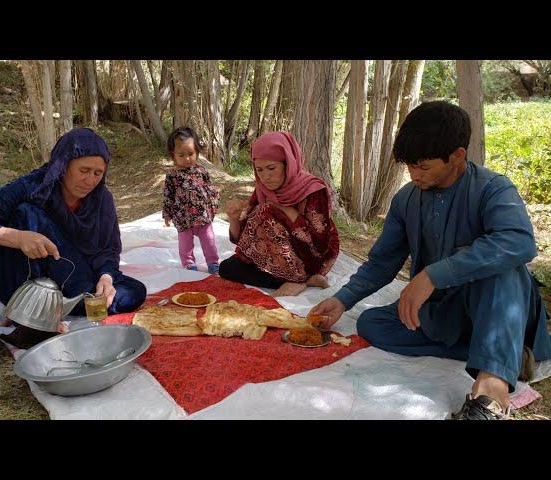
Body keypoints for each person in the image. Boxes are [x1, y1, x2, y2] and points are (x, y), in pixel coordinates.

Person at [308, 101, 551, 420]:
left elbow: (518, 243)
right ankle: (504, 355)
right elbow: (383, 263)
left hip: (499, 303)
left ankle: (491, 390)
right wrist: (342, 300)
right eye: (409, 166)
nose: (414, 175)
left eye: (423, 166)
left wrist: (434, 275)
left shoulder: (493, 189)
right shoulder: (405, 199)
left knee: (502, 268)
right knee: (373, 323)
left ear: (457, 156)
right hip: (447, 310)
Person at [0, 128, 147, 348]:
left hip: (70, 274)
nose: (90, 181)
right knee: (27, 213)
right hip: (21, 275)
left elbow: (108, 248)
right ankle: (32, 318)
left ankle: (53, 311)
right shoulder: (32, 186)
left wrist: (106, 277)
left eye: (97, 173)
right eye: (84, 170)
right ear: (64, 165)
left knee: (134, 292)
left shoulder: (101, 199)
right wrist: (17, 237)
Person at [219, 131, 340, 297]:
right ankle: (299, 281)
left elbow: (320, 244)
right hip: (271, 256)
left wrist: (283, 209)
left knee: (265, 211)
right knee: (227, 268)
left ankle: (299, 277)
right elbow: (241, 239)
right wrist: (233, 219)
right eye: (259, 170)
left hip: (309, 258)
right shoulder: (263, 188)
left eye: (271, 168)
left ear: (288, 163)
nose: (266, 177)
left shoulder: (312, 190)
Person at [162, 126, 220, 274]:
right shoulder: (172, 175)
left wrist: (213, 204)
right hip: (183, 218)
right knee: (185, 245)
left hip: (203, 216)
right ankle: (189, 264)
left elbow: (209, 189)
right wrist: (167, 214)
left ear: (197, 152)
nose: (187, 158)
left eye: (190, 154)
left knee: (209, 241)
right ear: (173, 155)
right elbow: (168, 195)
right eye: (181, 155)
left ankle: (213, 263)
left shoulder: (202, 171)